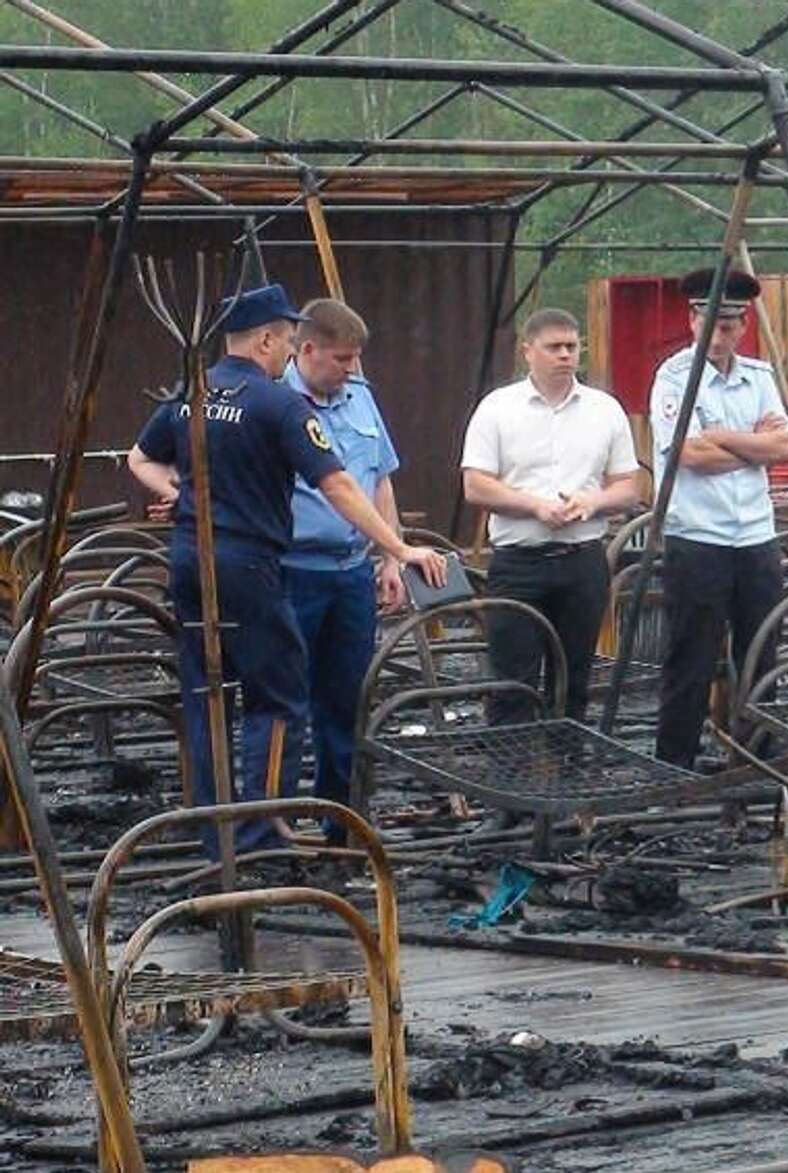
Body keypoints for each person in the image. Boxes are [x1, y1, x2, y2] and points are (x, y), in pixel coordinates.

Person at [126, 283, 448, 855]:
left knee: (206, 695)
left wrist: (187, 495)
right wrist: (400, 550)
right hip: (250, 564)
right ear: (269, 339)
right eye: (286, 339)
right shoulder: (278, 404)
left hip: (189, 558)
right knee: (277, 699)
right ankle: (260, 832)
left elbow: (140, 457)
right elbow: (340, 485)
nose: (288, 349)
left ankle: (216, 831)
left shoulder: (191, 393)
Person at [460, 307, 642, 724]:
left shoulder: (604, 410)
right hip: (519, 561)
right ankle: (513, 777)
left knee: (574, 676)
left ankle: (568, 771)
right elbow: (476, 485)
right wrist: (535, 506)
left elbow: (629, 486)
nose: (564, 355)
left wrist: (591, 502)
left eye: (571, 347)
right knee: (512, 681)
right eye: (554, 347)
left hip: (582, 560)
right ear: (528, 351)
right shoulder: (498, 408)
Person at [648, 267, 788, 768]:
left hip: (755, 535)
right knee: (691, 654)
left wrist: (724, 438)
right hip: (698, 536)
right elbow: (690, 455)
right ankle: (676, 761)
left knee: (762, 649)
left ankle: (755, 753)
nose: (719, 334)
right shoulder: (673, 378)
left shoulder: (760, 376)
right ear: (692, 321)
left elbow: (784, 444)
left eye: (729, 324)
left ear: (743, 324)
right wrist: (752, 446)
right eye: (709, 322)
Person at [281, 299, 403, 845]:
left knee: (348, 699)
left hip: (352, 570)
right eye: (340, 359)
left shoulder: (361, 398)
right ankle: (274, 823)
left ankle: (341, 821)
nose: (350, 369)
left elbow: (379, 479)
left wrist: (392, 556)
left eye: (355, 359)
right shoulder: (272, 403)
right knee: (283, 702)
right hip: (291, 571)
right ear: (306, 350)